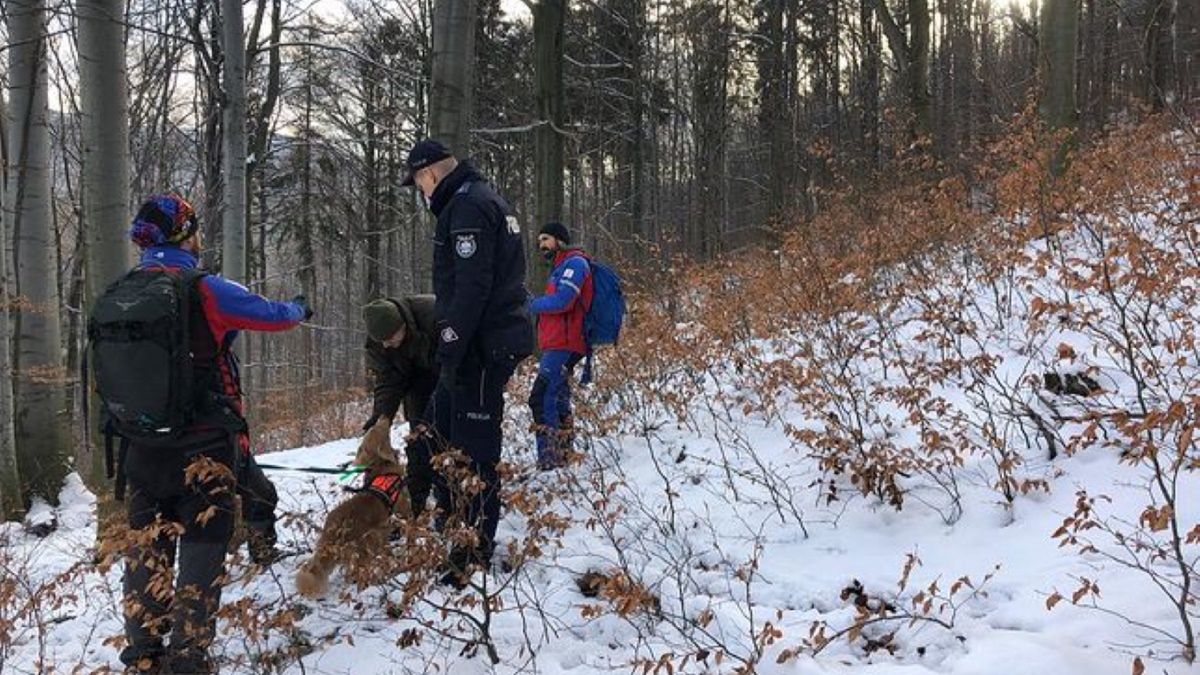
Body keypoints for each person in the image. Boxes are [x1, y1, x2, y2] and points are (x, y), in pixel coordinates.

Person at [113, 195, 310, 673]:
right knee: (202, 551)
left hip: (140, 447)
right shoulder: (206, 289)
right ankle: (188, 655)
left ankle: (143, 651)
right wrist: (301, 307)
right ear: (186, 234)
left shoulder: (121, 291)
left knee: (147, 546)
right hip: (203, 449)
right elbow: (274, 314)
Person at [401, 138, 533, 586]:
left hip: (481, 347)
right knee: (432, 433)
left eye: (418, 182)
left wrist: (451, 341)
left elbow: (473, 286)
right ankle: (449, 519)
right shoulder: (478, 197)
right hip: (479, 342)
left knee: (475, 452)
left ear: (430, 174)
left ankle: (472, 552)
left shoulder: (469, 207)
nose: (420, 192)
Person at [360, 295, 439, 518]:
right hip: (415, 382)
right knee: (418, 441)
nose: (386, 345)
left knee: (441, 437)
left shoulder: (433, 315)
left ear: (403, 325)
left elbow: (454, 360)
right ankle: (415, 506)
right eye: (381, 341)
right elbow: (387, 379)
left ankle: (450, 504)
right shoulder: (379, 339)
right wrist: (382, 417)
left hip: (448, 377)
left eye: (390, 339)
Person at [527, 222, 593, 470]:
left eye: (545, 238)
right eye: (539, 239)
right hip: (558, 344)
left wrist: (532, 305)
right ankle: (564, 456)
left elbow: (563, 301)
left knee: (541, 397)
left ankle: (550, 461)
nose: (541, 244)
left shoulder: (575, 264)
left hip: (565, 344)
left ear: (559, 240)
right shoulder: (560, 267)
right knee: (558, 398)